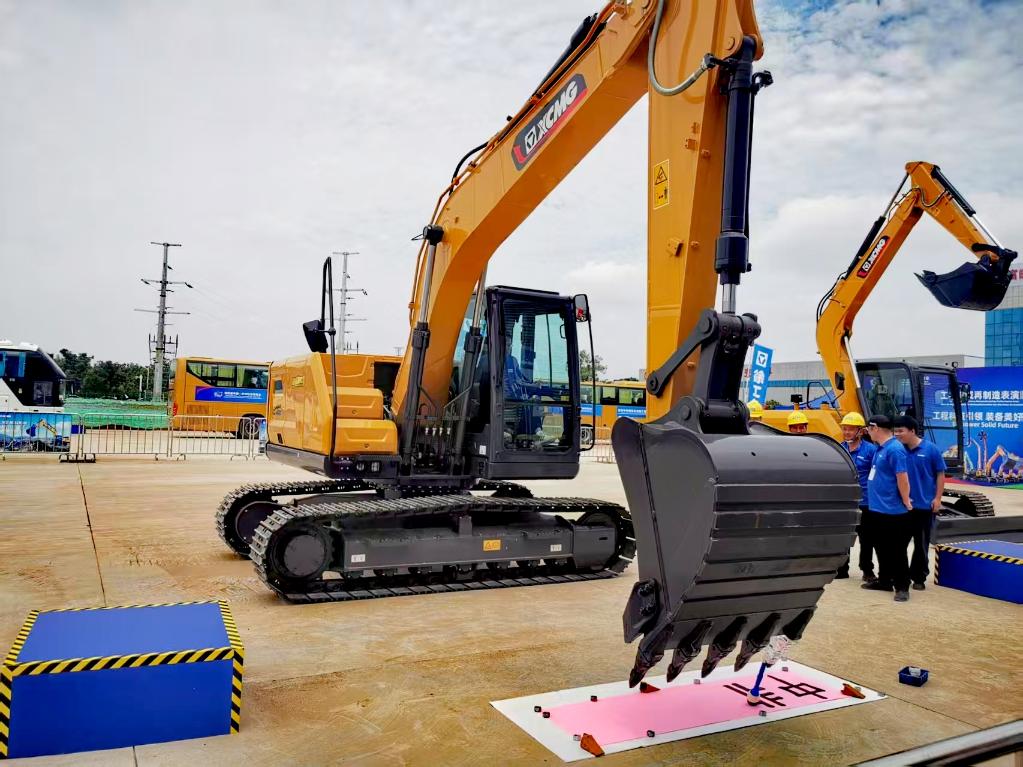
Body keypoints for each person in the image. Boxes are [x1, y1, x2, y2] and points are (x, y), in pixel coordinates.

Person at [862, 414, 914, 602]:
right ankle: (885, 580)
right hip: (877, 509)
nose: (867, 432)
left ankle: (902, 586)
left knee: (896, 551)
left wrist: (906, 500)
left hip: (892, 510)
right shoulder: (880, 448)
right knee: (881, 548)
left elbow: (902, 478)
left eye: (869, 428)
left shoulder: (895, 449)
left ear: (875, 428)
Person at [893, 414, 946, 590]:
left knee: (921, 544)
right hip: (901, 507)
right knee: (899, 544)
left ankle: (919, 577)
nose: (897, 435)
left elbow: (940, 474)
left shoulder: (931, 450)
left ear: (912, 431)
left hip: (924, 506)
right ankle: (900, 576)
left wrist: (937, 498)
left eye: (900, 431)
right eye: (895, 431)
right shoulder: (897, 450)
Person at [836, 411, 877, 581]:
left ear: (860, 431)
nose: (846, 432)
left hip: (865, 501)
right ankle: (842, 569)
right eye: (845, 429)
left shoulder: (871, 450)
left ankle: (867, 570)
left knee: (866, 538)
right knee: (844, 537)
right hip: (846, 502)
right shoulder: (839, 448)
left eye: (850, 429)